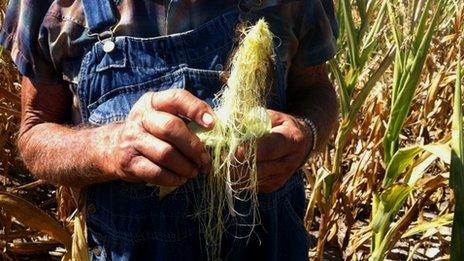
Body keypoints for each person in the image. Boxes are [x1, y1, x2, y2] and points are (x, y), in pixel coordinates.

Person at [0, 0, 339, 260]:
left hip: (270, 246)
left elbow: (316, 91)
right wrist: (111, 146)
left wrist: (306, 133)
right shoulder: (51, 7)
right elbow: (35, 131)